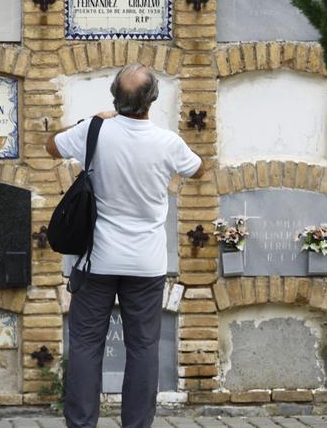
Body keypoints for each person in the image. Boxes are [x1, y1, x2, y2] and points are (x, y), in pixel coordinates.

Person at [46, 63, 207, 428]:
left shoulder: (95, 131)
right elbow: (198, 169)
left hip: (97, 261)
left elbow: (51, 146)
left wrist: (93, 120)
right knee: (143, 348)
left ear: (114, 99)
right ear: (152, 101)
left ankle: (82, 423)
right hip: (146, 265)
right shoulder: (168, 143)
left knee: (86, 344)